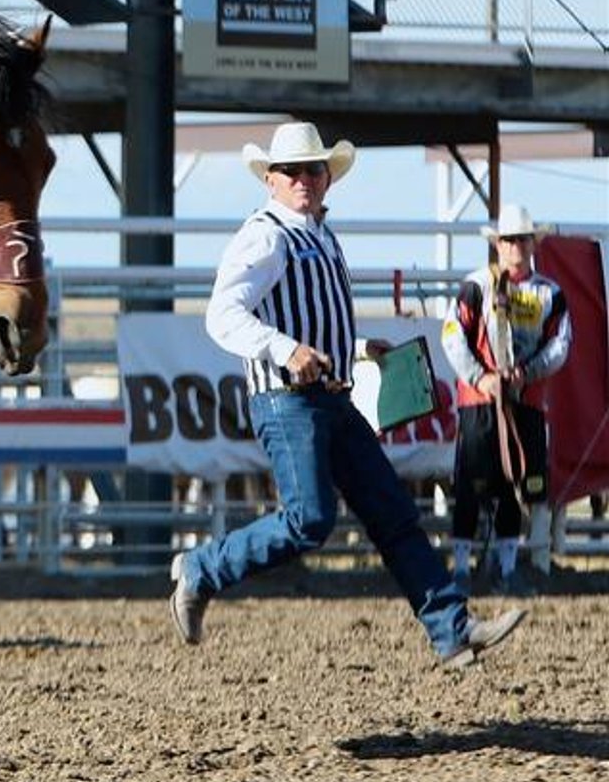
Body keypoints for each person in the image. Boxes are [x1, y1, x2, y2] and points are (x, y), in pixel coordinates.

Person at [168, 122, 528, 670]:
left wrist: (355, 345)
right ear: (271, 180)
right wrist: (286, 350)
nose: (303, 179)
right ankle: (201, 569)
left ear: (326, 178)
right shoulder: (265, 235)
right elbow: (222, 315)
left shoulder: (317, 234)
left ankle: (452, 628)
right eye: (291, 171)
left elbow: (301, 315)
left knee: (391, 510)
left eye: (312, 169)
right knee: (309, 520)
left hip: (329, 397)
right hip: (287, 401)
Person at [441, 203, 570, 594]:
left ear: (533, 243)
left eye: (522, 240)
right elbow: (453, 337)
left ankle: (507, 566)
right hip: (479, 400)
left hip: (525, 399)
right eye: (510, 240)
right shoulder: (476, 286)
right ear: (498, 244)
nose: (516, 247)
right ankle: (463, 567)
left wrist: (527, 373)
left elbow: (560, 345)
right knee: (471, 481)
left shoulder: (550, 293)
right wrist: (481, 377)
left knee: (516, 481)